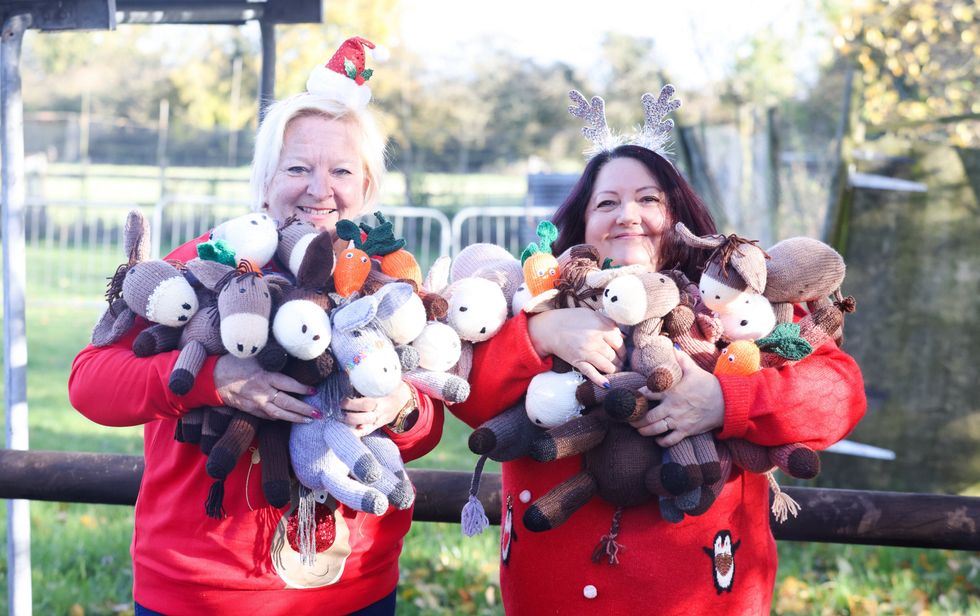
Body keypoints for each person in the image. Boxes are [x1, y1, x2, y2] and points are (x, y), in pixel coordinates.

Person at [451, 89, 866, 615]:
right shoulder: (535, 303)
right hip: (552, 595)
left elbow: (840, 394)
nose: (628, 215)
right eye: (607, 202)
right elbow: (469, 401)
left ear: (681, 218)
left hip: (700, 598)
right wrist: (543, 335)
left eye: (649, 199)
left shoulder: (738, 302)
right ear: (582, 225)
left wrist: (725, 399)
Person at [69, 37, 443, 616]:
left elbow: (427, 421)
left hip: (350, 588)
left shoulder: (386, 284)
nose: (320, 189)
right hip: (202, 589)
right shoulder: (204, 264)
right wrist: (213, 378)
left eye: (341, 170)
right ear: (265, 180)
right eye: (298, 168)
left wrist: (397, 404)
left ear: (366, 187)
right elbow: (90, 383)